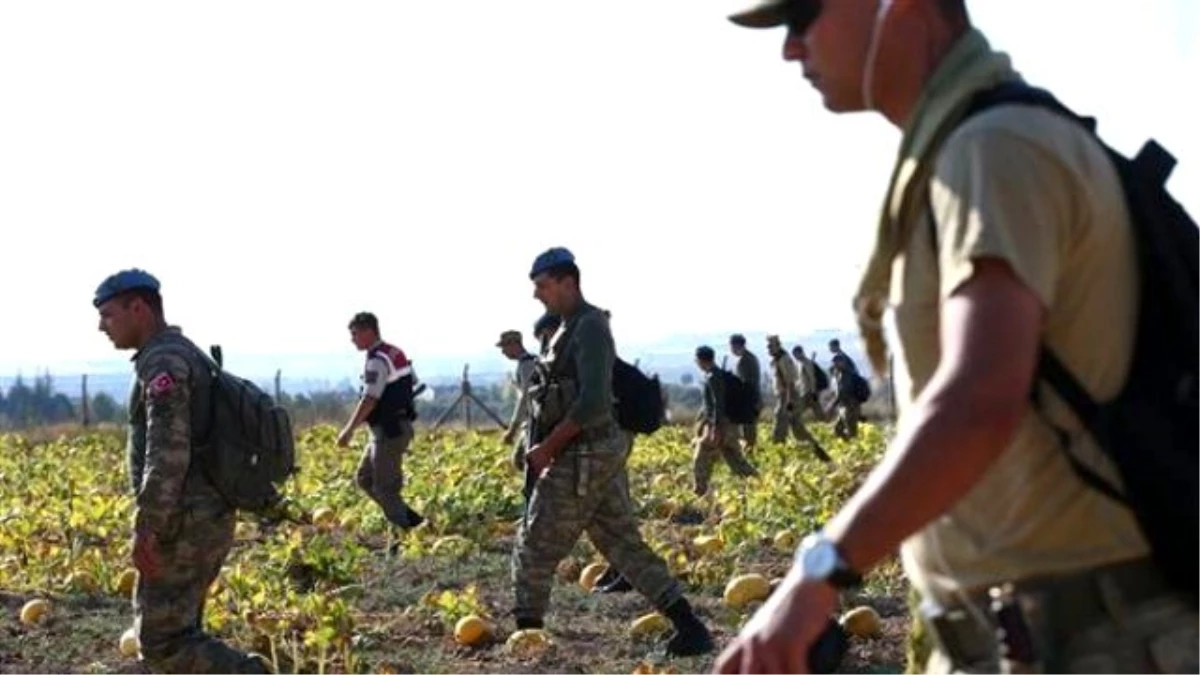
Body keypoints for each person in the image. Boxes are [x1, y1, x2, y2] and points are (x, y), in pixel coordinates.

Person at [717, 1, 1200, 673]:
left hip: (1091, 640)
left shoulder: (993, 148)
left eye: (803, 15)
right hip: (1039, 633)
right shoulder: (970, 147)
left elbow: (978, 398)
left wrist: (819, 571)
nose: (791, 50)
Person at [513, 246, 714, 657]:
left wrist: (548, 448)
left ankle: (526, 641)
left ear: (569, 282)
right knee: (621, 543)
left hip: (582, 453)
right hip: (589, 454)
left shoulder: (588, 327)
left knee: (535, 542)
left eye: (543, 286)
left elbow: (593, 404)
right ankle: (690, 627)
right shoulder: (568, 328)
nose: (537, 295)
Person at [94, 268, 269, 674]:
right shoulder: (180, 352)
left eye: (108, 315)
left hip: (184, 520)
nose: (101, 326)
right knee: (183, 629)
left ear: (138, 308)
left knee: (162, 643)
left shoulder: (165, 361)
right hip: (203, 512)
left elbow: (168, 450)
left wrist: (147, 524)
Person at [337, 312, 423, 529]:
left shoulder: (377, 360)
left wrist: (348, 430)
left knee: (385, 488)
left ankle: (408, 530)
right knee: (365, 478)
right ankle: (414, 522)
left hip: (389, 431)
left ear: (369, 331)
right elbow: (412, 381)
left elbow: (370, 399)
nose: (352, 339)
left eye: (355, 334)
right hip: (392, 428)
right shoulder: (395, 352)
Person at [692, 345, 759, 496]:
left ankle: (700, 491)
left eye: (697, 360)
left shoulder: (713, 377)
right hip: (730, 426)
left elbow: (718, 403)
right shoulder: (719, 375)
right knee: (735, 460)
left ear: (701, 360)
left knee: (701, 456)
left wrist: (715, 429)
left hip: (719, 426)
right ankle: (759, 483)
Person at [767, 335, 832, 463]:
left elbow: (790, 383)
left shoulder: (784, 359)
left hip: (787, 398)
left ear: (777, 346)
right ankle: (821, 454)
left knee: (779, 433)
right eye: (768, 346)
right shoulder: (777, 360)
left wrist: (789, 402)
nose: (768, 349)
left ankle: (779, 462)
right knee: (798, 431)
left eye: (771, 346)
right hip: (785, 397)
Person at [498, 329, 539, 472]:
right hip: (533, 420)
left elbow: (525, 398)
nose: (503, 352)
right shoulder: (530, 361)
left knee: (521, 461)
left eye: (504, 347)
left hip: (534, 421)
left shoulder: (526, 364)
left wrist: (512, 429)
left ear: (514, 345)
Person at [729, 333, 763, 450]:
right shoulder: (751, 358)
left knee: (748, 431)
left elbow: (746, 383)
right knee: (749, 429)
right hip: (753, 398)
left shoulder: (744, 361)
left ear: (737, 345)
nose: (731, 350)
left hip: (749, 399)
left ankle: (750, 453)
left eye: (732, 346)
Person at [790, 345, 826, 421]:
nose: (795, 357)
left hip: (809, 392)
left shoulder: (807, 363)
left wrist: (813, 392)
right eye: (794, 355)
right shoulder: (800, 364)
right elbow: (801, 379)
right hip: (805, 392)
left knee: (797, 412)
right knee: (818, 412)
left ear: (800, 353)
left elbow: (812, 378)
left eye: (795, 354)